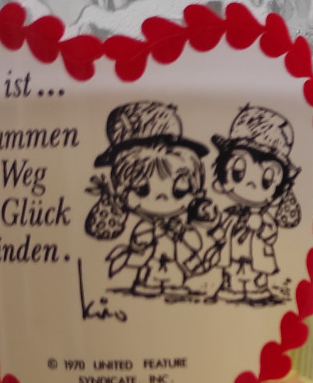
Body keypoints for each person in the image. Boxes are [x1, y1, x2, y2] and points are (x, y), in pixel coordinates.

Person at [83, 102, 220, 300]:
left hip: (175, 270)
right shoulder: (145, 228)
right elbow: (139, 248)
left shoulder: (181, 225)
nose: (162, 198)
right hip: (150, 269)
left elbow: (195, 245)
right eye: (142, 189)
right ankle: (148, 281)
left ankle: (174, 282)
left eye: (179, 190)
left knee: (174, 274)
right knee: (150, 271)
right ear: (122, 189)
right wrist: (141, 245)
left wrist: (184, 237)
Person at [206, 105, 302, 304]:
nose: (251, 184)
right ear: (220, 179)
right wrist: (214, 228)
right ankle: (231, 287)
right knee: (232, 273)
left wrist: (261, 227)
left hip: (256, 257)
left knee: (255, 276)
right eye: (238, 173)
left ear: (278, 190)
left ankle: (257, 288)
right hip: (232, 256)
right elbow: (220, 232)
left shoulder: (264, 217)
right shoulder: (229, 214)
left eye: (266, 180)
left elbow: (270, 234)